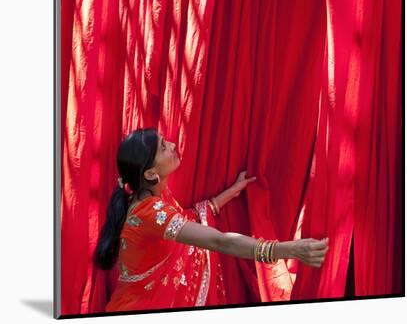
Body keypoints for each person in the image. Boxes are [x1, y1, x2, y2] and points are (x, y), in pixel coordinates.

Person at [94, 128, 329, 312]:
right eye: (164, 147)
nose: (173, 145)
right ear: (150, 174)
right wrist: (286, 250)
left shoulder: (150, 196)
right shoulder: (150, 212)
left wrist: (228, 194)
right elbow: (219, 242)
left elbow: (186, 218)